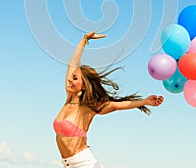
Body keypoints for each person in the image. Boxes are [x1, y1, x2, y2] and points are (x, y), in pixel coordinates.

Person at [53, 30, 164, 168]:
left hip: (84, 164)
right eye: (71, 76)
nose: (69, 79)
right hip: (67, 165)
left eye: (74, 78)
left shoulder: (88, 107)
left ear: (84, 85)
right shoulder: (69, 98)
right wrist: (84, 39)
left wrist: (144, 102)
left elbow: (116, 105)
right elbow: (72, 64)